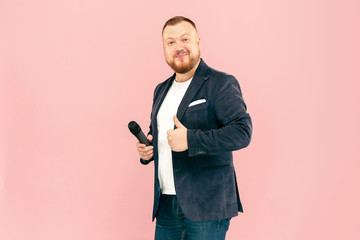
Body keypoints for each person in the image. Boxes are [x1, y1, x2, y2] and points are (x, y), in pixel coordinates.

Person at [135, 16, 252, 240]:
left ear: (198, 42)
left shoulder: (221, 83)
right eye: (170, 42)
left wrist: (190, 140)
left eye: (185, 39)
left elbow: (242, 132)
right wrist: (147, 151)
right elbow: (158, 135)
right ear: (164, 49)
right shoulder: (160, 90)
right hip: (166, 205)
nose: (178, 46)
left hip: (207, 205)